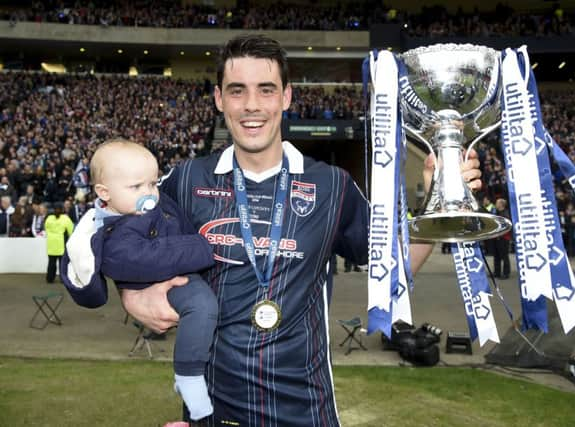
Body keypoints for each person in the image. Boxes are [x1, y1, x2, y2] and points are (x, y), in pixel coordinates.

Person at [63, 35, 482, 426]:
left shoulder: (331, 185)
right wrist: (132, 294)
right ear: (218, 99)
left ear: (286, 97)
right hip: (212, 408)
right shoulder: (187, 179)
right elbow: (109, 234)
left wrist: (438, 201)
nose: (251, 105)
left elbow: (393, 267)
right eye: (236, 90)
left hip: (307, 408)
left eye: (266, 89)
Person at [60, 139, 217, 422]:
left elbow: (179, 227)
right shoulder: (110, 234)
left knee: (206, 308)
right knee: (202, 306)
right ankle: (188, 375)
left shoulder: (151, 203)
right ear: (104, 192)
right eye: (137, 187)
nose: (149, 193)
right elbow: (149, 258)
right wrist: (204, 249)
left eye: (153, 184)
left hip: (180, 274)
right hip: (164, 283)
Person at [44, 204, 73, 283]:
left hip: (51, 243)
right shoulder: (65, 218)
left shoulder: (49, 218)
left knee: (51, 263)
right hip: (61, 243)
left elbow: (46, 228)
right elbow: (71, 230)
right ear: (62, 210)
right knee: (62, 264)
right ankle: (63, 279)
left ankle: (50, 279)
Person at [491, 198, 511, 279]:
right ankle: (497, 272)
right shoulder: (497, 213)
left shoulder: (505, 214)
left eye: (497, 203)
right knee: (497, 256)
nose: (496, 204)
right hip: (497, 237)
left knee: (504, 256)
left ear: (501, 204)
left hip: (503, 238)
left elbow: (506, 226)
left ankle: (506, 273)